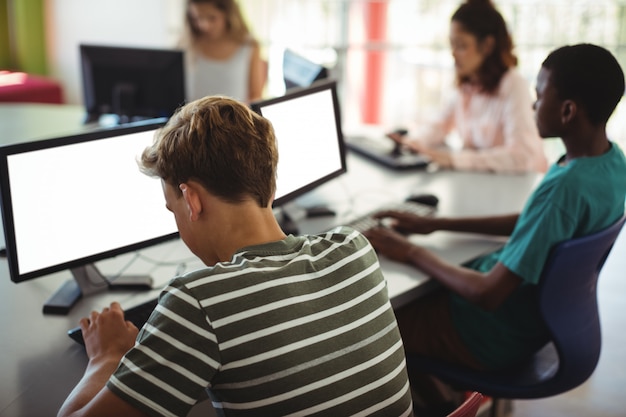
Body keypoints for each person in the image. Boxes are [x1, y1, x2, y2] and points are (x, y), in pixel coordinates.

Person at [57, 96, 413, 416]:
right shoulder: (354, 248)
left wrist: (105, 358)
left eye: (173, 210)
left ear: (192, 200)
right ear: (270, 184)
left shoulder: (198, 304)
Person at [366, 43, 626, 413]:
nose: (533, 105)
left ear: (568, 111)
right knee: (419, 293)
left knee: (374, 325)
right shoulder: (610, 164)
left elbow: (488, 294)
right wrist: (433, 224)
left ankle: (446, 406)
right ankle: (447, 401)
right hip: (530, 323)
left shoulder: (564, 190)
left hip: (490, 334)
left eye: (539, 96)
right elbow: (535, 222)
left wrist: (408, 250)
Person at [389, 0, 547, 173]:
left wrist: (453, 159)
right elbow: (440, 124)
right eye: (452, 45)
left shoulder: (513, 85)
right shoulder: (467, 84)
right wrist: (414, 142)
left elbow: (522, 156)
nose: (454, 53)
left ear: (487, 45)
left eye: (462, 46)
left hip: (515, 188)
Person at [180, 0, 265, 102]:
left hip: (233, 117)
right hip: (192, 117)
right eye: (197, 18)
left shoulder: (249, 46)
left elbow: (255, 96)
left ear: (228, 15)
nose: (204, 25)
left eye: (212, 18)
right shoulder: (184, 45)